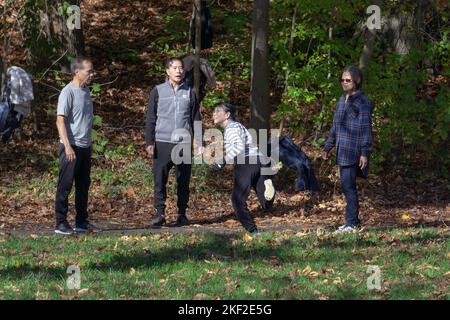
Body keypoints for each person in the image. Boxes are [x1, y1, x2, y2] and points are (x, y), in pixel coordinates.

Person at [145, 57, 202, 227]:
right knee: (159, 180)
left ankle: (182, 214)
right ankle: (160, 213)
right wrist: (149, 141)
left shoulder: (189, 92)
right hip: (162, 142)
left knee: (183, 180)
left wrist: (199, 141)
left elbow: (196, 118)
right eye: (175, 68)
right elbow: (150, 118)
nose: (179, 71)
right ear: (167, 71)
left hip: (183, 143)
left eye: (181, 68)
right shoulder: (158, 91)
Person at [322, 66, 373, 232]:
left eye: (348, 80)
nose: (344, 83)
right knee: (346, 186)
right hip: (341, 150)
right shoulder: (341, 99)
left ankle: (352, 223)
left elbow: (366, 128)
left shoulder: (362, 102)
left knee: (348, 186)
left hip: (354, 150)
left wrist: (364, 152)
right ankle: (351, 222)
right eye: (342, 80)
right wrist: (327, 147)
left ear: (356, 81)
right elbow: (335, 126)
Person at [211, 102, 275, 233]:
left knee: (237, 200)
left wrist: (222, 161)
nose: (214, 114)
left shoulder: (231, 128)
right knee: (264, 200)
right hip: (259, 160)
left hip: (246, 163)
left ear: (227, 115)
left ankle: (252, 231)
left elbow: (239, 147)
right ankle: (267, 188)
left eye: (218, 111)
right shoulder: (238, 126)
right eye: (213, 111)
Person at [55, 57, 100, 235]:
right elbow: (60, 121)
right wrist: (67, 147)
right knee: (65, 185)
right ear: (77, 72)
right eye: (89, 71)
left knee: (83, 185)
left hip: (84, 146)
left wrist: (89, 144)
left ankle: (81, 222)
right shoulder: (68, 92)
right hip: (70, 147)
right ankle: (60, 223)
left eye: (92, 71)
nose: (92, 74)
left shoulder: (86, 91)